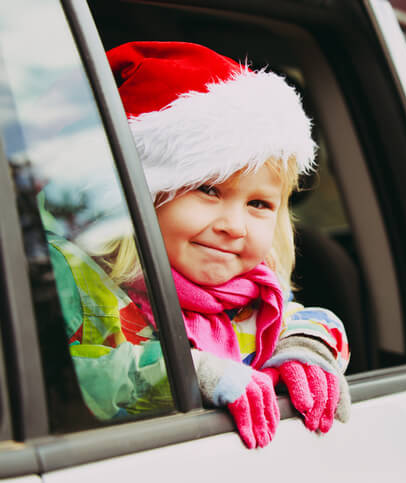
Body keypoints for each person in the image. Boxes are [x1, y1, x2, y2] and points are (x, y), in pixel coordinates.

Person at [51, 41, 350, 449]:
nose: (234, 226)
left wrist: (304, 351)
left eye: (259, 204)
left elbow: (308, 321)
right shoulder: (87, 285)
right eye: (209, 189)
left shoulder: (254, 294)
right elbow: (104, 373)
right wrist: (198, 372)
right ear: (145, 194)